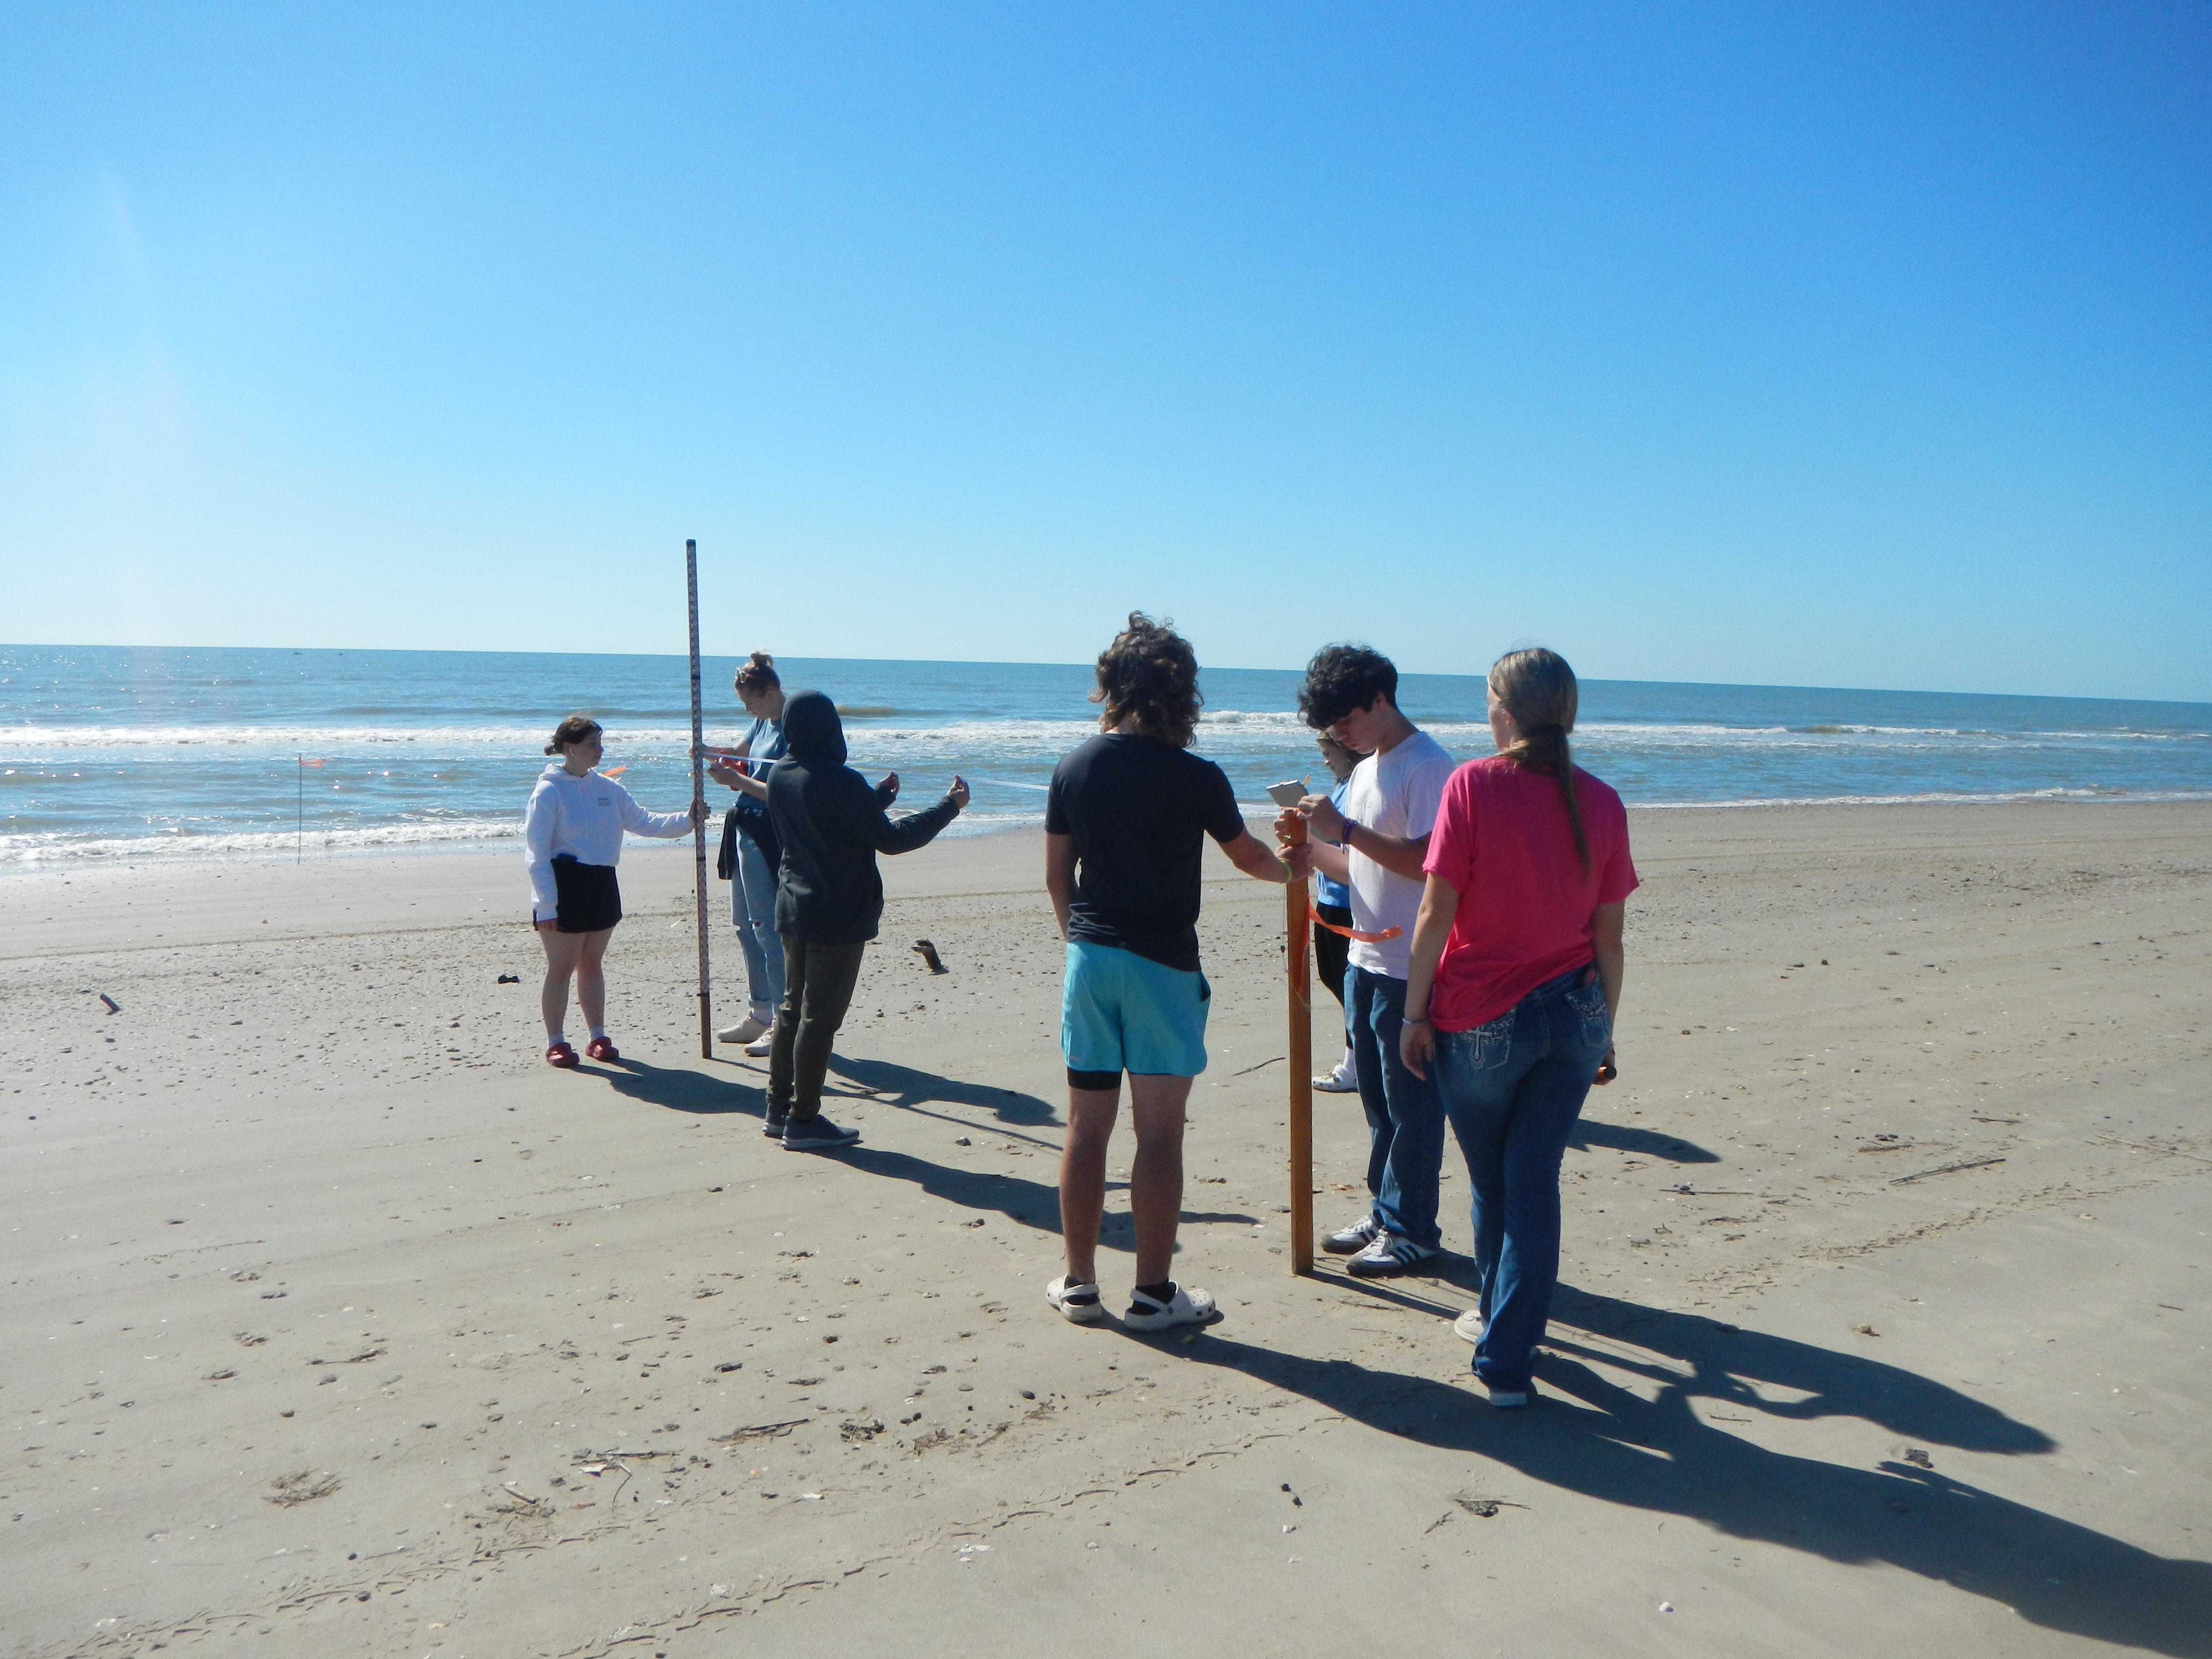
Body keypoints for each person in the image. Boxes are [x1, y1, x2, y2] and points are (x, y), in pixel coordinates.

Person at [1044, 613, 1297, 1331]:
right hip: (1162, 965)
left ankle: (1081, 1284)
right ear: (1181, 695)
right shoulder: (1197, 777)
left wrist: (1079, 943)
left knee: (1086, 1127)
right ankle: (1153, 1294)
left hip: (1092, 961)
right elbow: (1247, 855)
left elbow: (1058, 876)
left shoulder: (1077, 766)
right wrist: (1294, 875)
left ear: (1112, 686)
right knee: (1159, 1133)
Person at [1400, 648, 1635, 1408]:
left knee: (1497, 1180)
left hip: (1482, 1018)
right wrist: (1605, 1032)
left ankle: (1501, 1339)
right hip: (1573, 1015)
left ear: (1503, 710)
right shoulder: (1601, 799)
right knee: (1532, 1181)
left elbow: (1436, 913)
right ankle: (1504, 1344)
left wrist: (1412, 1014)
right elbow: (1610, 940)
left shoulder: (1475, 785)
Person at [1288, 645, 1455, 1278]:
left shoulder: (1428, 767)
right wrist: (1311, 852)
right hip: (1365, 956)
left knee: (1412, 1109)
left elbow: (1430, 864)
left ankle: (1414, 1229)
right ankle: (1387, 1213)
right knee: (1380, 1107)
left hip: (1410, 964)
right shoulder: (1364, 771)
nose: (1339, 734)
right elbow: (1360, 867)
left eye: (1345, 720)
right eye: (1330, 727)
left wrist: (1346, 831)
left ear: (1380, 699)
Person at [765, 691, 968, 1150]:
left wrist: (876, 796)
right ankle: (803, 1119)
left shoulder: (781, 774)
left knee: (792, 1010)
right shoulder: (841, 781)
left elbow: (827, 813)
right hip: (836, 914)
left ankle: (778, 1108)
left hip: (794, 908)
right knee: (818, 1019)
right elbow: (891, 840)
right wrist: (948, 808)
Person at [523, 715, 708, 1068]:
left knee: (592, 963)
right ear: (570, 749)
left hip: (603, 881)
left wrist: (688, 820)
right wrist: (546, 904)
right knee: (561, 967)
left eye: (600, 743)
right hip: (565, 884)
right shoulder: (548, 791)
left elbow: (645, 822)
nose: (600, 750)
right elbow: (536, 852)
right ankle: (557, 1041)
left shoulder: (608, 789)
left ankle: (597, 1036)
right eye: (592, 744)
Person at [705, 651, 786, 1057]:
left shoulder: (793, 727)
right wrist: (710, 755)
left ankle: (782, 1020)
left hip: (769, 834)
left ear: (770, 692)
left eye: (751, 702)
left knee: (768, 929)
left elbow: (781, 791)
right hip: (742, 829)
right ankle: (760, 1011)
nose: (748, 710)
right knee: (743, 925)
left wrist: (735, 778)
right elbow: (741, 756)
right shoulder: (761, 721)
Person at [1310, 732, 1363, 1094]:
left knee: (1349, 984)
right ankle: (1361, 1056)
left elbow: (1350, 840)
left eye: (1330, 753)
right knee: (1332, 976)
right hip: (1328, 894)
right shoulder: (1341, 785)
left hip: (1349, 900)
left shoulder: (1360, 784)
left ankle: (1356, 1063)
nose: (1326, 760)